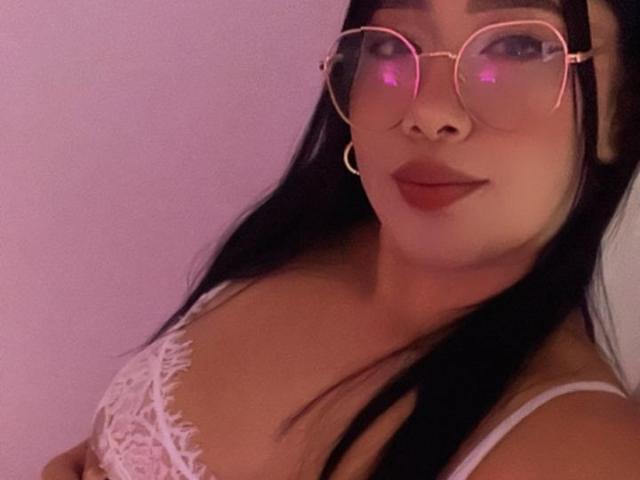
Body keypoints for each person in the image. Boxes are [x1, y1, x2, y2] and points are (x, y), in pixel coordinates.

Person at [42, 0, 640, 478]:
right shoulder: (295, 244)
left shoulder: (589, 452)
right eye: (391, 44)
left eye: (518, 47)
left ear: (620, 111)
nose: (428, 110)